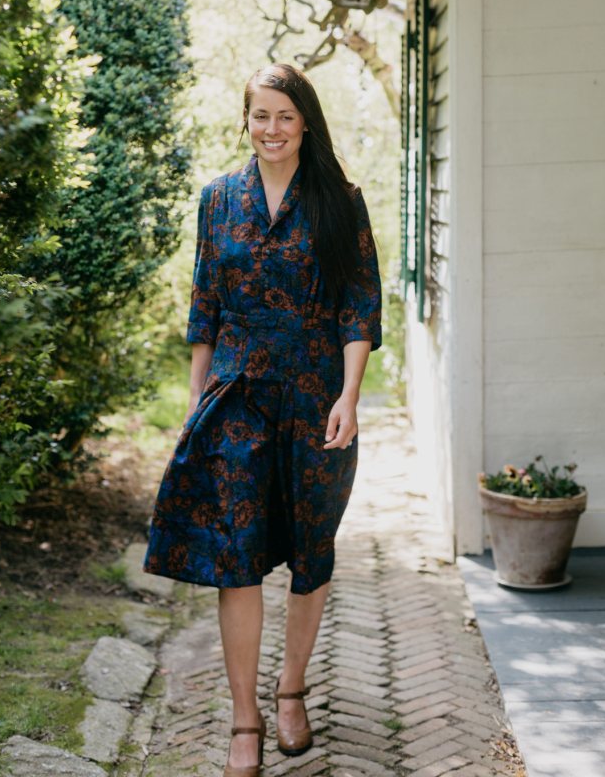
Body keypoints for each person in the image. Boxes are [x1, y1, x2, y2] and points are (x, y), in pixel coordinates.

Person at [143, 63, 382, 776]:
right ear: (244, 120)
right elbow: (204, 311)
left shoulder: (340, 201)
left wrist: (349, 396)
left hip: (315, 402)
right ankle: (244, 717)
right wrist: (194, 404)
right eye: (259, 116)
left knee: (310, 557)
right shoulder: (217, 200)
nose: (271, 129)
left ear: (305, 121)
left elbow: (358, 308)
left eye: (284, 116)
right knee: (235, 560)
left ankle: (291, 691)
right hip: (236, 400)